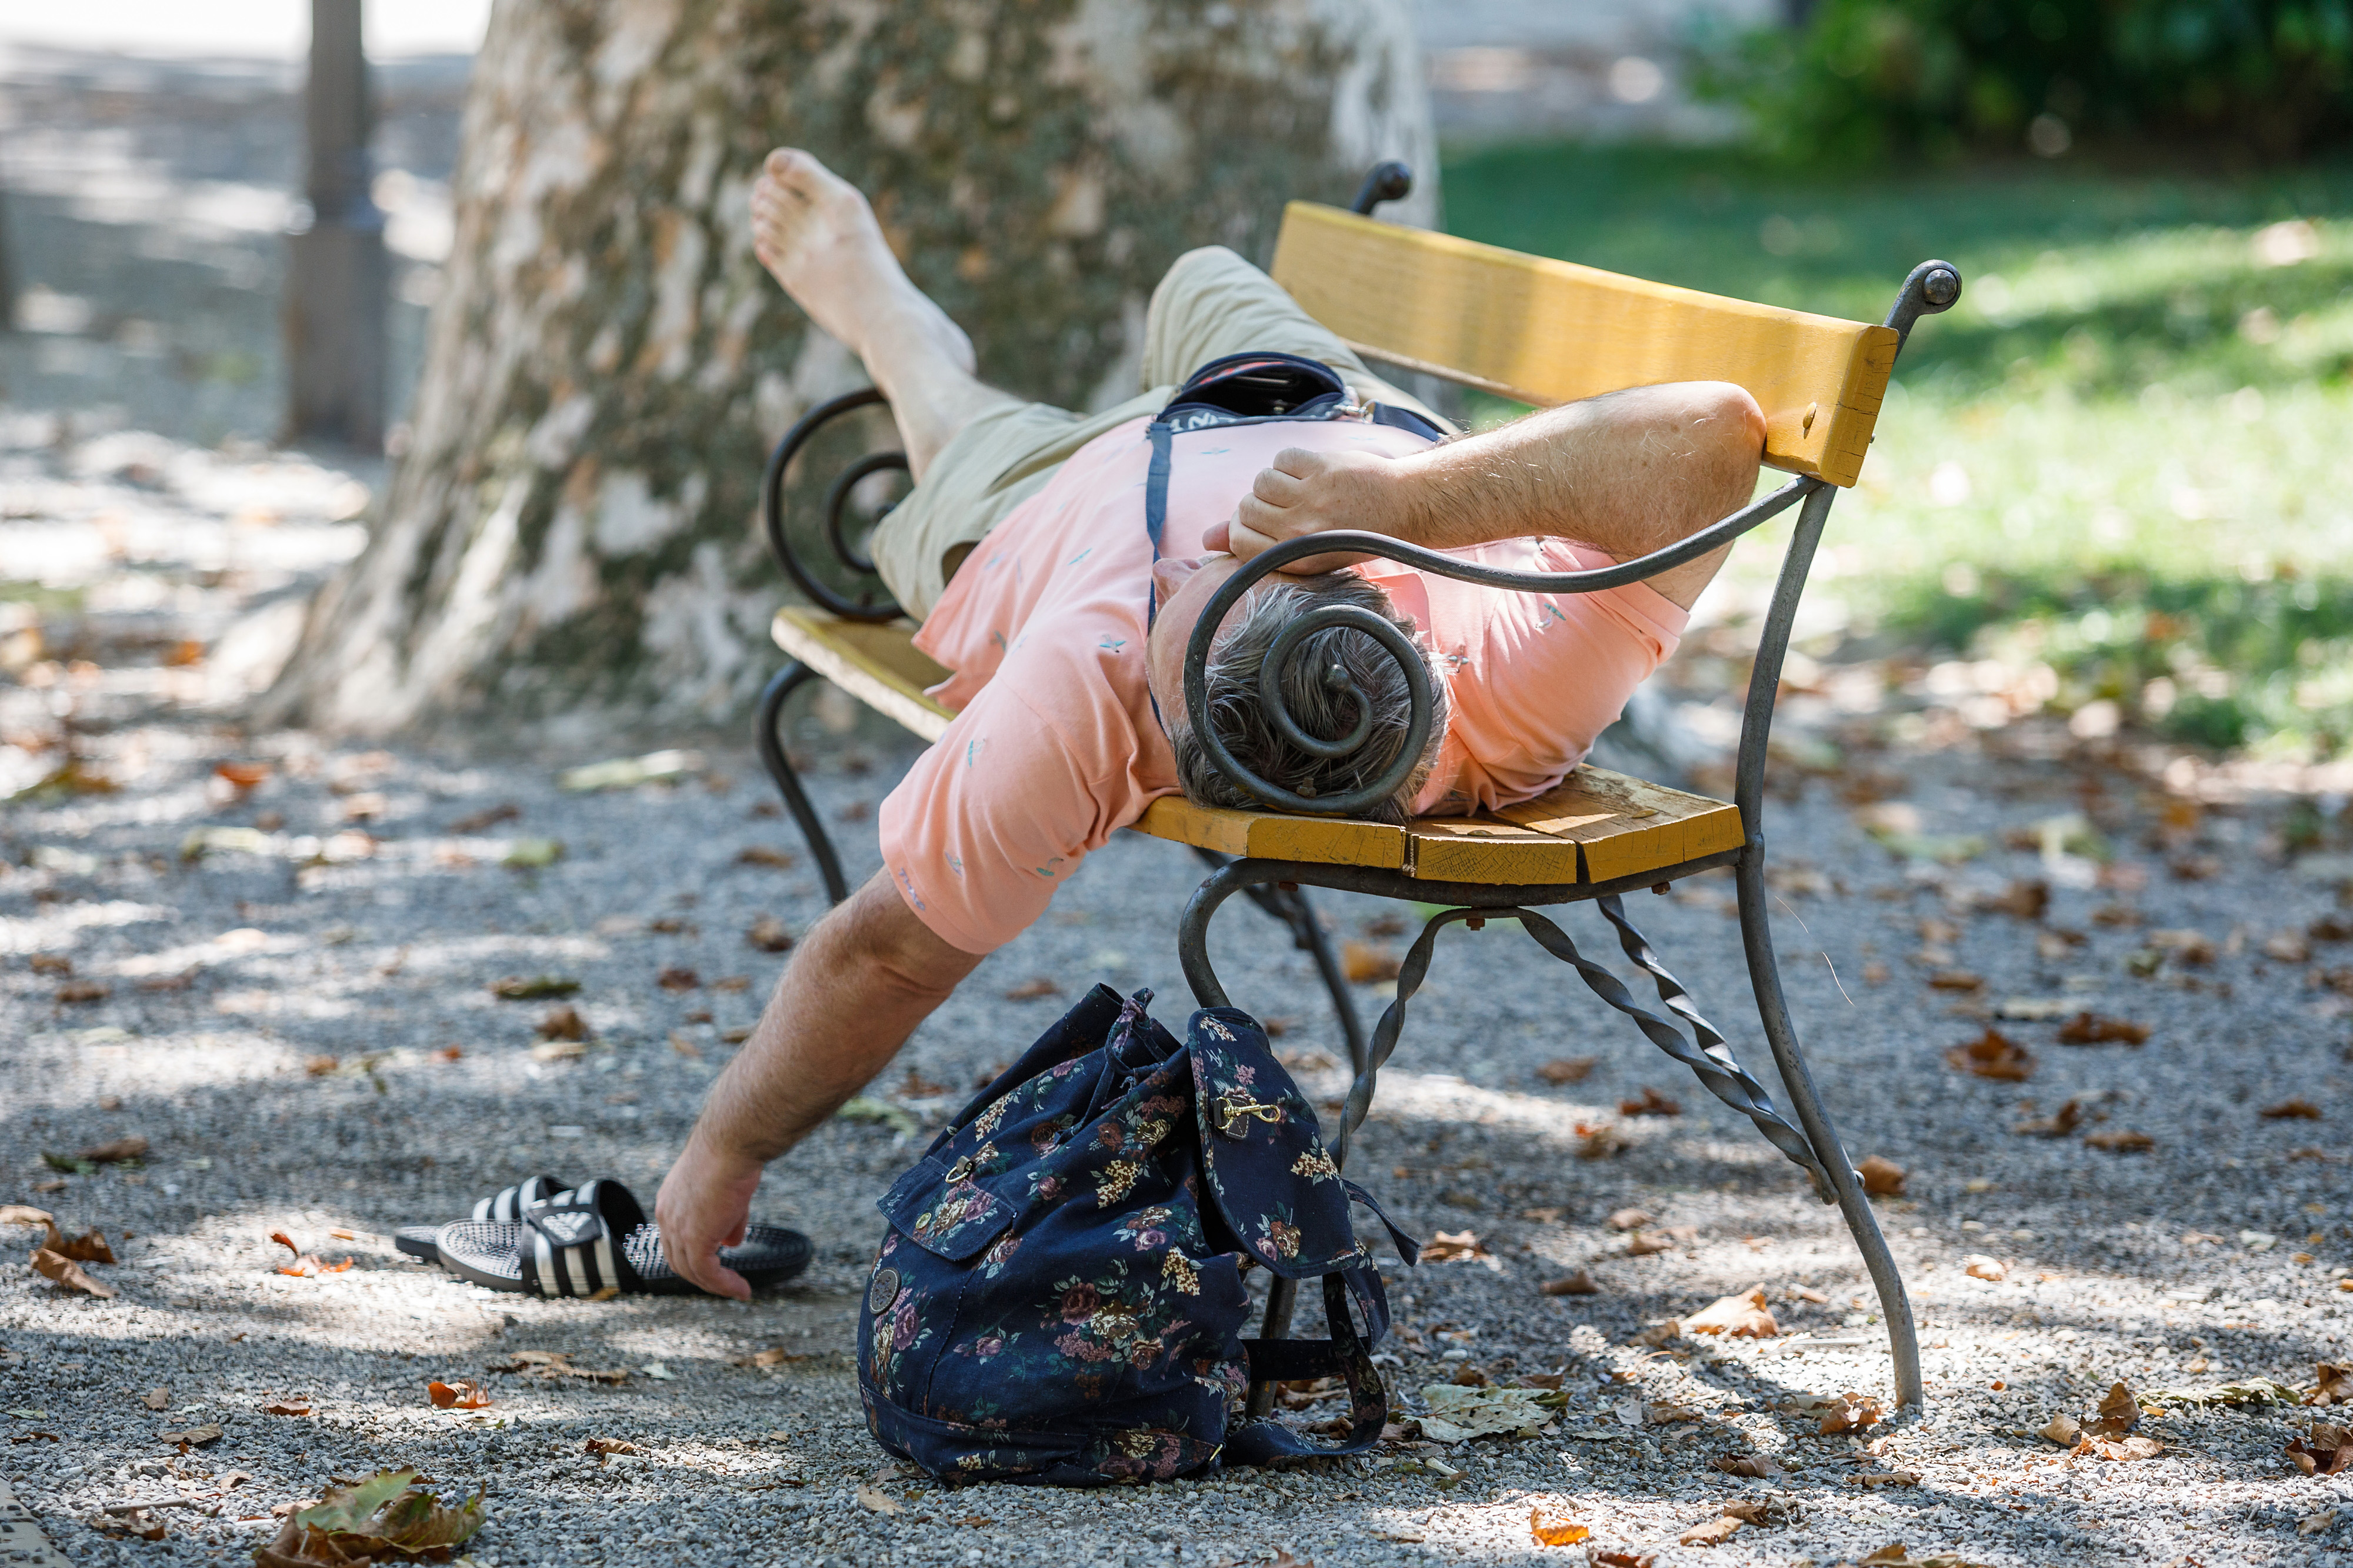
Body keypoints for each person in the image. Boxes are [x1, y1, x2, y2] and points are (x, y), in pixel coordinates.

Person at [654, 149, 1765, 1297]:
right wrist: (1400, 504)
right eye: (1241, 555)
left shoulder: (1080, 683)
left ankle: (908, 336)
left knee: (957, 437)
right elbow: (1717, 433)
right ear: (1364, 588)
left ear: (1170, 737)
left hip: (1058, 496)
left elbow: (883, 953)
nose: (1211, 541)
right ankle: (1168, 413)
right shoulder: (1507, 671)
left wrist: (723, 1147)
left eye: (1188, 590)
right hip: (1307, 410)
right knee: (1197, 275)